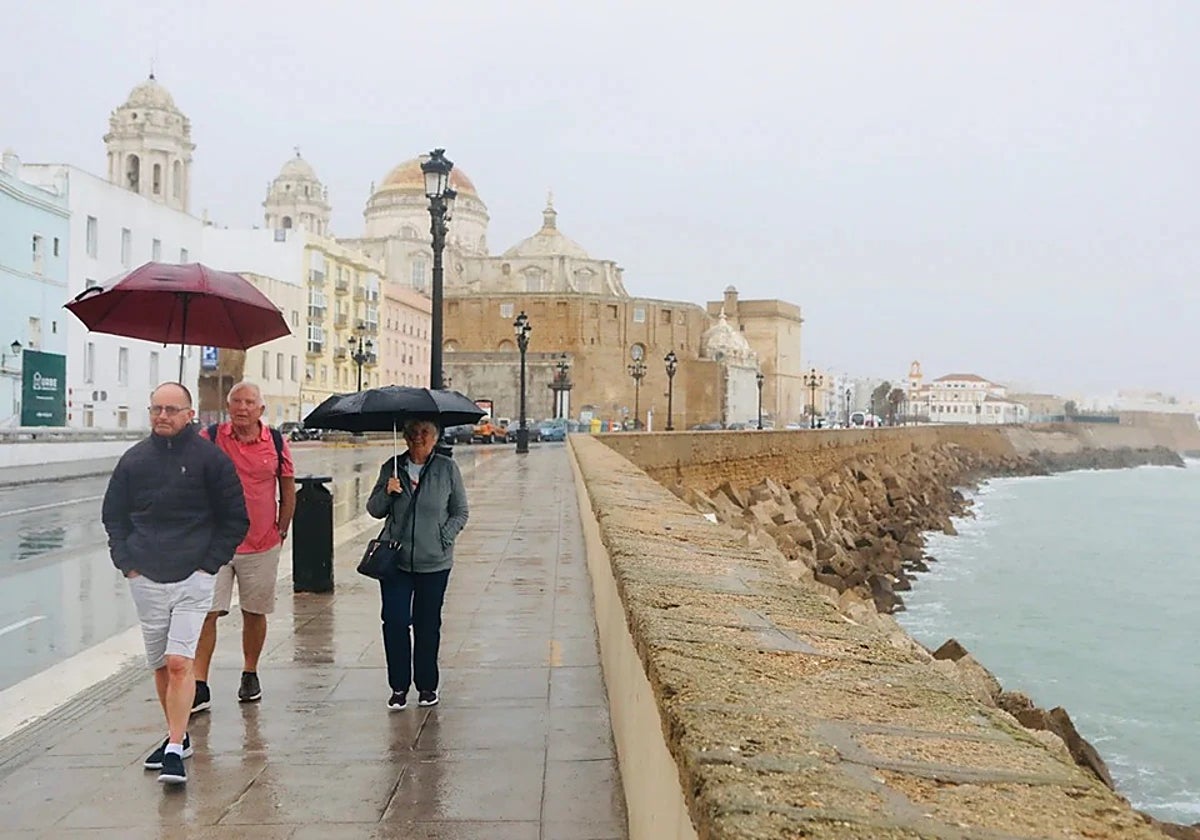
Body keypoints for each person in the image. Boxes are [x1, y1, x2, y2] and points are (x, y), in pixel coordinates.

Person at [102, 382, 249, 786]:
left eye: (171, 409)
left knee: (180, 661)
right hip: (145, 578)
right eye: (156, 409)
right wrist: (127, 563)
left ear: (190, 414)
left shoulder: (211, 460)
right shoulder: (134, 461)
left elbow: (235, 518)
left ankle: (172, 746)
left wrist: (208, 566)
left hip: (193, 578)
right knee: (160, 665)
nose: (163, 416)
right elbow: (113, 515)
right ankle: (177, 736)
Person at [194, 381, 296, 711]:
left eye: (249, 402)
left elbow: (288, 488)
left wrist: (281, 530)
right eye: (236, 401)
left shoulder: (277, 442)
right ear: (228, 407)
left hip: (261, 543)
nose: (242, 407)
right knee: (206, 612)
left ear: (260, 409)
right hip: (215, 545)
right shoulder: (209, 439)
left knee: (254, 612)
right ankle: (199, 683)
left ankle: (250, 672)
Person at [366, 418, 469, 711]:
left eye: (424, 432)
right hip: (395, 562)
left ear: (435, 438)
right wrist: (388, 492)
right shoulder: (392, 467)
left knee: (427, 625)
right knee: (395, 622)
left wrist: (442, 538)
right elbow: (373, 510)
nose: (417, 438)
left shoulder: (447, 469)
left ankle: (427, 686)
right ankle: (399, 687)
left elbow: (460, 512)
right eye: (411, 433)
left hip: (434, 563)